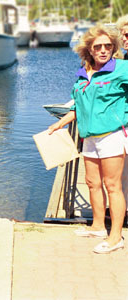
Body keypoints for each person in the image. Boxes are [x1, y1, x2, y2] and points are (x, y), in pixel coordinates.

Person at [48, 24, 128, 254]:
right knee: (93, 182)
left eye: (108, 46)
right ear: (89, 50)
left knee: (113, 186)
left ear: (113, 48)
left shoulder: (121, 69)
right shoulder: (83, 75)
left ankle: (116, 237)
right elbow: (77, 107)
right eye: (98, 47)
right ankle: (98, 226)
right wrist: (59, 123)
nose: (103, 50)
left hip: (112, 135)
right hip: (89, 137)